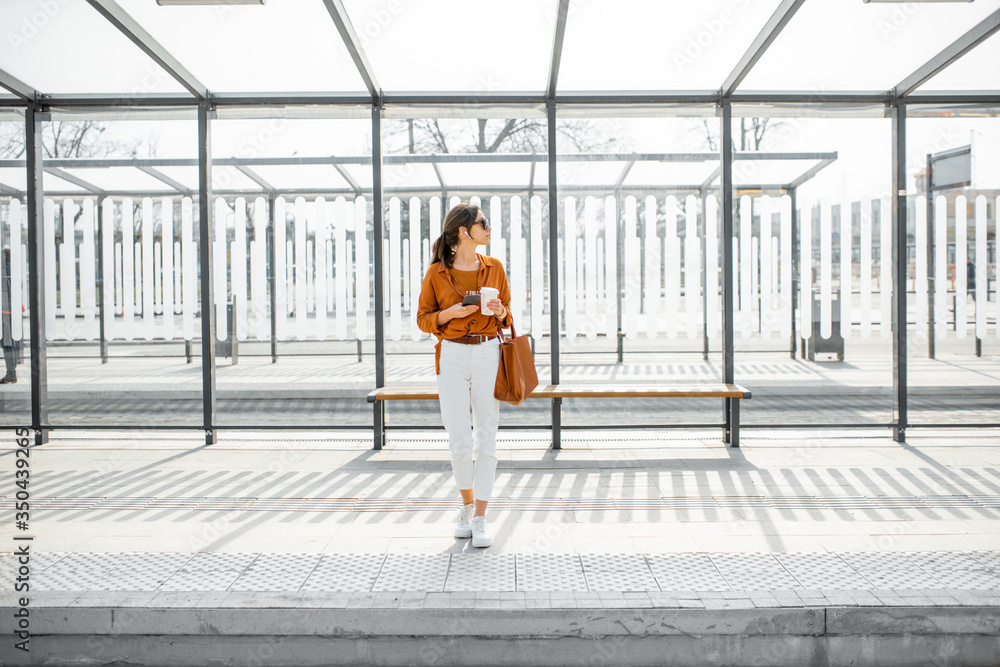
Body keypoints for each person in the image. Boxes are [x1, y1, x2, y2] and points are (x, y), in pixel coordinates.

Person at [417, 201, 512, 548]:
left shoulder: (495, 268)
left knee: (486, 437)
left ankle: (483, 516)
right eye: (484, 222)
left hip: (488, 352)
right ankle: (467, 506)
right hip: (452, 356)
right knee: (459, 441)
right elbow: (424, 318)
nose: (489, 227)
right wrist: (450, 314)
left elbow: (509, 318)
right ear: (463, 230)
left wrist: (501, 311)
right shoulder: (436, 273)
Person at [2, 248, 16, 384]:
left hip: (4, 310)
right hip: (11, 309)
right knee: (9, 341)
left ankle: (11, 372)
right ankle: (11, 371)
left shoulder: (4, 271)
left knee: (6, 343)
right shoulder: (13, 269)